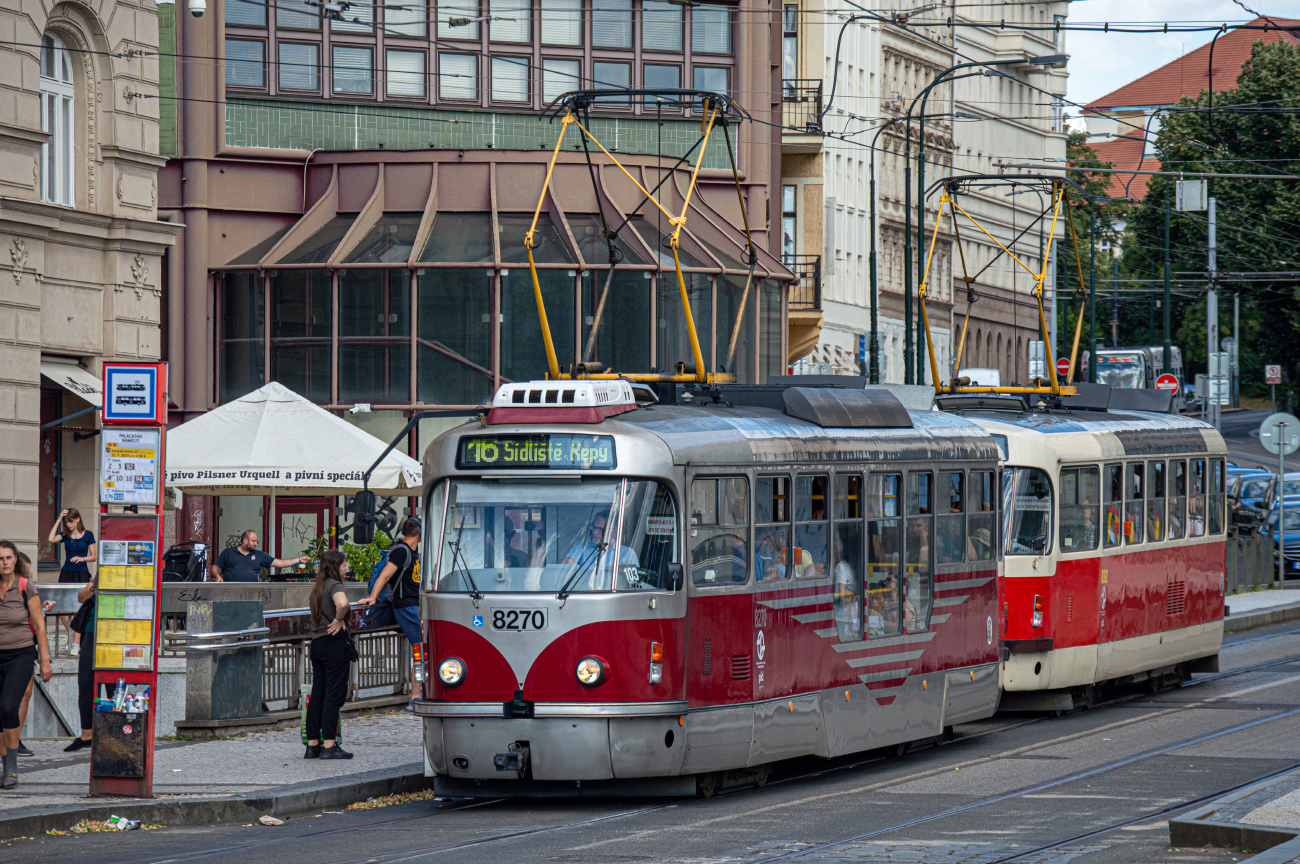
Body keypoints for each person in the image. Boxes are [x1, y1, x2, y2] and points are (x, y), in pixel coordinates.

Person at [0, 541, 52, 788]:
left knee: (9, 706)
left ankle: (11, 767)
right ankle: (5, 768)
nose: (5, 562)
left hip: (20, 655)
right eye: (0, 558)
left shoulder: (25, 587)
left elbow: (40, 626)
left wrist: (45, 661)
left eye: (9, 557)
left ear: (15, 560)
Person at [358, 519, 421, 704]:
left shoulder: (411, 552)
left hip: (413, 606)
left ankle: (419, 694)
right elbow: (385, 574)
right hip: (407, 607)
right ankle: (416, 697)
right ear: (419, 533)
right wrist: (373, 597)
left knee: (423, 651)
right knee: (421, 651)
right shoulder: (402, 551)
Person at [304, 550, 353, 760]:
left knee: (318, 695)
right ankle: (330, 745)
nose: (346, 567)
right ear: (336, 566)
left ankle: (312, 745)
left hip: (318, 645)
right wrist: (340, 619)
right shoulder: (335, 585)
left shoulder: (317, 588)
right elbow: (342, 604)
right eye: (344, 564)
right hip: (334, 644)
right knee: (334, 695)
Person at [47, 508, 95, 655]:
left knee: (81, 607)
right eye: (66, 522)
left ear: (78, 519)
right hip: (66, 573)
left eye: (71, 521)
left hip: (81, 573)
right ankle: (72, 634)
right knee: (61, 607)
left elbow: (94, 556)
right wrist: (58, 518)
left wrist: (83, 558)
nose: (69, 525)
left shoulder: (88, 535)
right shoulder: (65, 535)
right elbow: (51, 539)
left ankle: (75, 643)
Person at [558, 510, 640, 589]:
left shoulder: (627, 554)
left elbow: (635, 585)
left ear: (614, 532)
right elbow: (566, 565)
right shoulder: (582, 547)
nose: (594, 532)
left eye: (600, 529)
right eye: (593, 527)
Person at [211, 530, 306, 582]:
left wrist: (299, 560)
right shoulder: (228, 552)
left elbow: (280, 563)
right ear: (245, 541)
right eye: (253, 541)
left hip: (251, 595)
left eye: (256, 541)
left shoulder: (259, 555)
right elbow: (215, 567)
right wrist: (217, 576)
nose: (256, 543)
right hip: (230, 594)